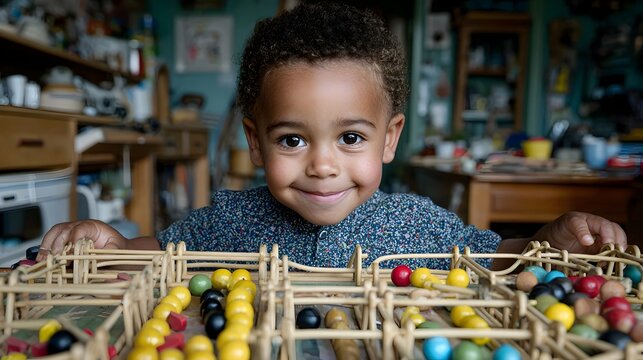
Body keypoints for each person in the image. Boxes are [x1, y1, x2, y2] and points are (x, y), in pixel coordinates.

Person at [37, 3, 626, 270]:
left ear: (389, 140)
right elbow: (154, 255)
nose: (322, 165)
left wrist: (547, 239)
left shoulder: (419, 223)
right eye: (293, 140)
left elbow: (501, 258)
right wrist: (107, 240)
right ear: (256, 141)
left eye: (350, 138)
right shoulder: (226, 222)